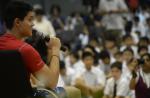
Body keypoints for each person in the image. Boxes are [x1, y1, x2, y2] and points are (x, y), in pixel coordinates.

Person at [0, 0, 61, 95]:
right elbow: (52, 82)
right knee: (66, 91)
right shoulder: (25, 50)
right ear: (17, 22)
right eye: (30, 19)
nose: (33, 24)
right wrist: (55, 48)